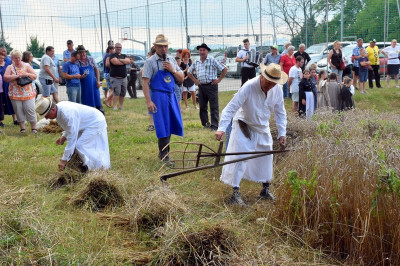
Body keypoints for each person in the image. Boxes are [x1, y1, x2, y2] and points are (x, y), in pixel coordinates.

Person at [215, 63, 287, 205]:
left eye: (273, 84)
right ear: (262, 76)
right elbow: (231, 107)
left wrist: (282, 133)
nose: (270, 86)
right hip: (244, 124)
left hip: (262, 127)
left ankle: (265, 190)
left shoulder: (277, 90)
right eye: (268, 83)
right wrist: (221, 128)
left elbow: (280, 113)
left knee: (266, 156)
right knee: (240, 156)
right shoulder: (249, 86)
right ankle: (235, 193)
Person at [35, 97, 110, 171]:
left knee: (81, 145)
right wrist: (63, 137)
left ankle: (99, 167)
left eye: (46, 115)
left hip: (95, 122)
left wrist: (64, 160)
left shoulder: (67, 114)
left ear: (53, 110)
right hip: (85, 123)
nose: (47, 118)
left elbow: (72, 139)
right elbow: (69, 128)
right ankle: (88, 166)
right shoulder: (59, 110)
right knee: (80, 146)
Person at [142, 34, 184, 163]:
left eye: (165, 46)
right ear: (155, 47)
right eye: (160, 46)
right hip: (158, 96)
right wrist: (149, 101)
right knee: (162, 125)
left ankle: (165, 152)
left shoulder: (171, 60)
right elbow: (144, 82)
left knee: (170, 124)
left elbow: (181, 78)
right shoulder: (150, 62)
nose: (163, 49)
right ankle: (164, 154)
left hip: (171, 96)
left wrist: (172, 70)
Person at [187, 43, 228, 131]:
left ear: (207, 51)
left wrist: (219, 79)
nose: (202, 52)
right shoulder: (196, 61)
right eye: (200, 50)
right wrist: (195, 80)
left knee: (214, 106)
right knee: (202, 106)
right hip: (201, 86)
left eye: (204, 50)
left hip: (211, 85)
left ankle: (214, 125)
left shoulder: (212, 60)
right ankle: (205, 123)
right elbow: (189, 72)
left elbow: (224, 69)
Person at [3, 49, 37, 133]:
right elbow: (5, 77)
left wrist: (27, 74)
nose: (17, 60)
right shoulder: (10, 67)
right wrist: (16, 76)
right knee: (18, 111)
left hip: (28, 93)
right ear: (12, 58)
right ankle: (22, 128)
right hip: (15, 94)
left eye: (18, 57)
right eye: (15, 58)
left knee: (30, 109)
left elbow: (34, 76)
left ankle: (34, 128)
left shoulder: (27, 66)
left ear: (21, 57)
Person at [76, 45, 103, 113]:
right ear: (78, 54)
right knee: (85, 98)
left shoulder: (90, 58)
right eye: (80, 53)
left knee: (96, 95)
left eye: (83, 52)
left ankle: (99, 109)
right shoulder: (77, 62)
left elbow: (96, 69)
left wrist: (98, 81)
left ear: (85, 52)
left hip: (93, 82)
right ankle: (87, 112)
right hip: (83, 84)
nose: (82, 54)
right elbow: (77, 74)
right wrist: (81, 76)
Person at [109, 43, 130, 110]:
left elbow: (128, 61)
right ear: (115, 48)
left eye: (120, 47)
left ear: (121, 48)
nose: (118, 48)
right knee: (116, 92)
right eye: (117, 47)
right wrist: (124, 61)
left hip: (124, 78)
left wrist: (120, 60)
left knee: (123, 93)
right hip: (115, 78)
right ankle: (114, 106)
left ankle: (121, 106)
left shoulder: (124, 55)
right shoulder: (112, 55)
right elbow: (115, 62)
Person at [0, 51, 17, 126]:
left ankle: (15, 119)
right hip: (0, 88)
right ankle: (0, 121)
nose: (1, 58)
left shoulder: (7, 65)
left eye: (2, 56)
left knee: (11, 102)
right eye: (0, 56)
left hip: (7, 86)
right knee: (0, 104)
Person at [142, 46, 156, 131]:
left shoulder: (149, 60)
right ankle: (152, 124)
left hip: (152, 88)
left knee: (151, 108)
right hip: (152, 87)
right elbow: (142, 73)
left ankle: (151, 125)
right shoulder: (150, 61)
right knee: (152, 107)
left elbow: (142, 72)